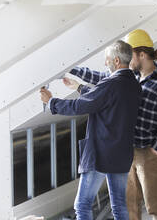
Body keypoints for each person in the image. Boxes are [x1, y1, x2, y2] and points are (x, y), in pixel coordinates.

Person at [65, 29, 157, 220]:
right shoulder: (129, 77)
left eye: (130, 53)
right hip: (125, 151)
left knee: (155, 206)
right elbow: (100, 77)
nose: (125, 58)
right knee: (128, 205)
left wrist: (155, 148)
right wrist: (72, 69)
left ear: (141, 54)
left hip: (148, 152)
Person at [40, 40, 141, 220]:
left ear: (116, 61)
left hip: (102, 154)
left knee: (82, 204)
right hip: (122, 153)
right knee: (119, 205)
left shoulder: (112, 84)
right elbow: (105, 99)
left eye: (107, 59)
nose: (105, 63)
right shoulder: (133, 84)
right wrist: (78, 87)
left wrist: (51, 102)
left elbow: (80, 106)